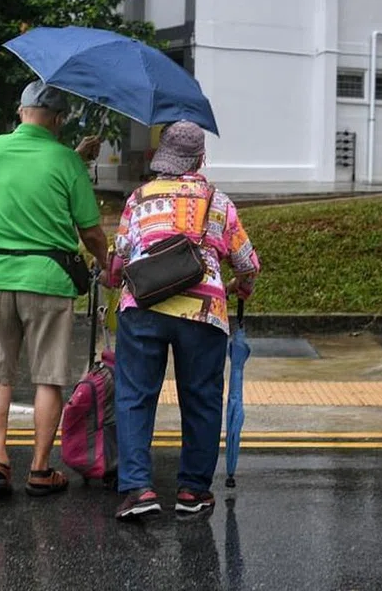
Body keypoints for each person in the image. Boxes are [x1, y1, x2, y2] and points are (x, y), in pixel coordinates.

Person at [103, 120, 260, 520]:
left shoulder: (138, 199)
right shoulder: (217, 201)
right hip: (203, 312)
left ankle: (139, 489)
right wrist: (243, 285)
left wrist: (117, 271)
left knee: (135, 396)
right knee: (201, 398)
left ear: (163, 157)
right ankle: (192, 492)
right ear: (200, 159)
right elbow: (247, 262)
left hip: (143, 308)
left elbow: (119, 261)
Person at [0, 81, 109, 498]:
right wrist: (106, 263)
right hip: (48, 278)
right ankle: (41, 469)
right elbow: (90, 230)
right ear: (60, 120)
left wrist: (73, 159)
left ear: (20, 110)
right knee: (48, 376)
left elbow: (28, 176)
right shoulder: (65, 160)